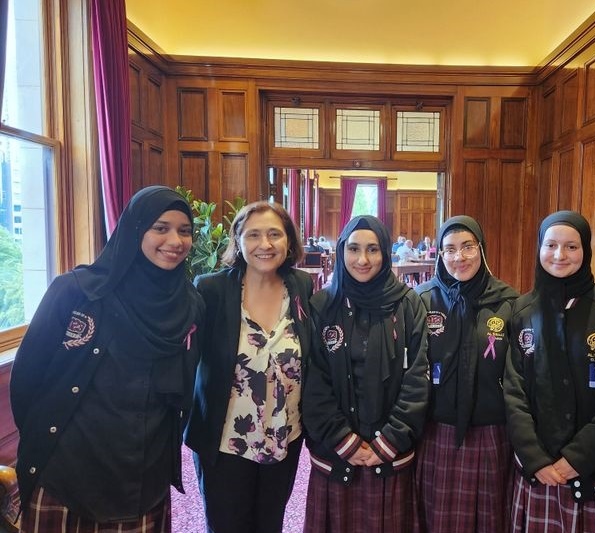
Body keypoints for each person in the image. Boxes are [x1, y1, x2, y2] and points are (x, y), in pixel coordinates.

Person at [11, 185, 203, 531]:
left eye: (185, 230)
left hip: (141, 474)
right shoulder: (76, 291)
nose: (175, 240)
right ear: (134, 230)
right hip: (66, 469)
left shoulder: (189, 304)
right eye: (160, 228)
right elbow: (27, 380)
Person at [185, 201, 314, 533]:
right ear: (239, 241)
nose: (265, 244)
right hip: (225, 438)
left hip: (284, 435)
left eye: (275, 234)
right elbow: (184, 357)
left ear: (289, 242)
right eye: (253, 235)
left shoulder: (301, 286)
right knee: (227, 524)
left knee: (270, 523)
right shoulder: (211, 289)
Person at [302, 215, 429, 533]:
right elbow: (312, 382)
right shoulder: (321, 306)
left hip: (389, 455)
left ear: (386, 253)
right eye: (354, 249)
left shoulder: (408, 305)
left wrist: (388, 441)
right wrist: (345, 442)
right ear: (342, 251)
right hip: (335, 456)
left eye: (373, 249)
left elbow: (418, 377)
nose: (362, 259)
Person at [503, 211, 595, 533]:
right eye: (551, 245)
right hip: (536, 469)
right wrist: (536, 458)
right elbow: (514, 390)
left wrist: (578, 457)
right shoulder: (522, 309)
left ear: (585, 250)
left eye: (571, 247)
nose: (559, 255)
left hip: (594, 469)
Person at [415, 215, 518, 532]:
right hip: (436, 431)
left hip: (489, 433)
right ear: (440, 255)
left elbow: (517, 377)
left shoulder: (509, 302)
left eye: (467, 247)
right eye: (449, 249)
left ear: (482, 250)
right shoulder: (422, 300)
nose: (459, 257)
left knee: (488, 520)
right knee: (436, 519)